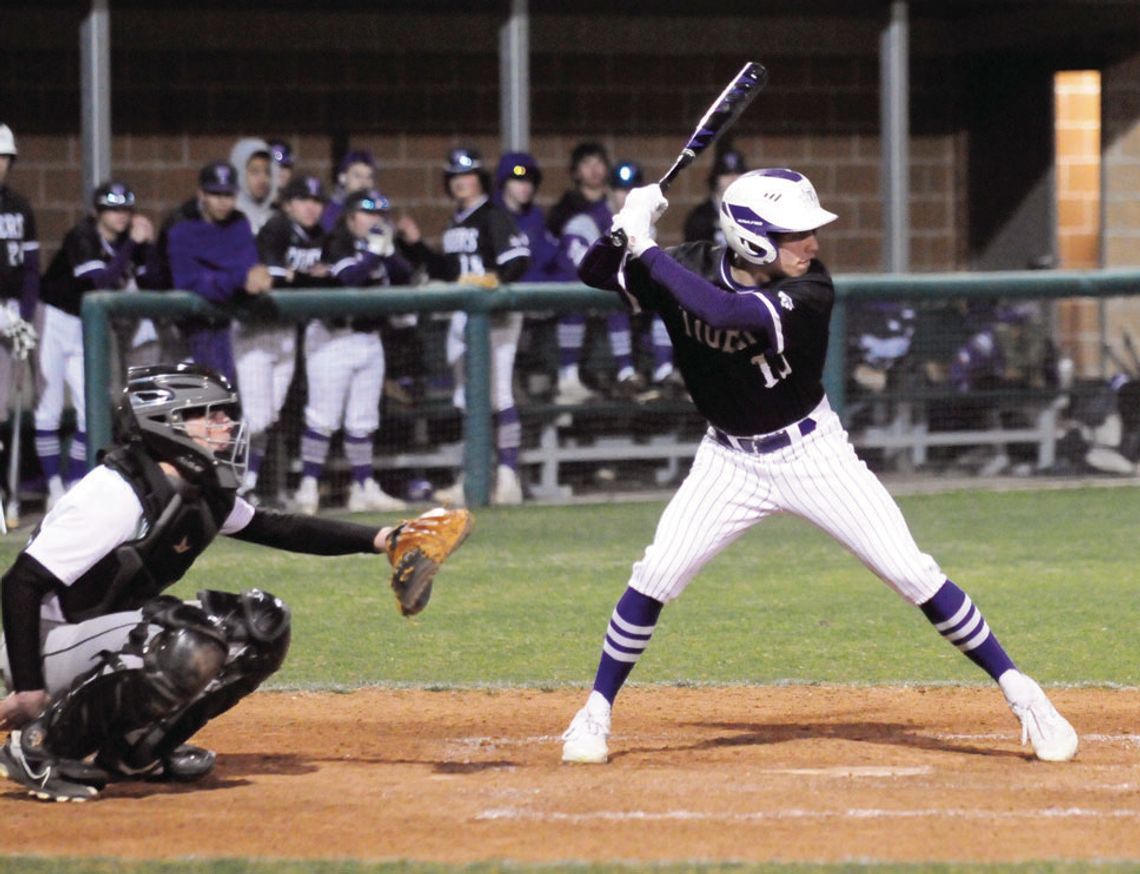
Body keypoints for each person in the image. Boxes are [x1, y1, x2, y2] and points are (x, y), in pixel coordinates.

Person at [560, 168, 1079, 766]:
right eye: (795, 233)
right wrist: (623, 230)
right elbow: (593, 274)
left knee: (912, 572)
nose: (812, 243)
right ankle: (595, 711)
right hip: (728, 459)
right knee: (654, 575)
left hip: (813, 452)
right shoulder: (690, 261)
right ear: (752, 238)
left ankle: (1025, 695)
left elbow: (727, 315)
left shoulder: (811, 290)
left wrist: (647, 248)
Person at [0, 362, 470, 802]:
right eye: (210, 415)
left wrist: (385, 539)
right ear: (167, 421)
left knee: (261, 627)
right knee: (185, 639)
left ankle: (134, 751)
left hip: (89, 638)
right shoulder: (116, 492)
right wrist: (28, 690)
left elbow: (276, 527)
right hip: (34, 645)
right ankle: (41, 747)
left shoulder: (196, 489)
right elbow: (20, 584)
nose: (226, 424)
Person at [397, 146, 531, 506]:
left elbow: (519, 259)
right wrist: (414, 248)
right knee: (467, 399)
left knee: (499, 392)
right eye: (455, 176)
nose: (461, 182)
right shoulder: (457, 221)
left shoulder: (492, 215)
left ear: (480, 179)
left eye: (467, 175)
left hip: (495, 315)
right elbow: (447, 270)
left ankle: (507, 476)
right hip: (466, 315)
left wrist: (495, 280)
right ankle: (473, 476)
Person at [35, 181, 154, 509]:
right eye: (112, 209)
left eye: (125, 210)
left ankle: (74, 485)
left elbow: (150, 279)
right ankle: (54, 487)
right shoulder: (82, 236)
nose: (119, 216)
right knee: (49, 407)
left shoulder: (132, 241)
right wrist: (133, 243)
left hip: (85, 327)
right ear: (96, 212)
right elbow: (100, 282)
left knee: (91, 412)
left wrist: (149, 245)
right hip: (54, 318)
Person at [292, 187, 410, 515]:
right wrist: (374, 253)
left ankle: (363, 486)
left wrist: (388, 252)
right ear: (351, 216)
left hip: (369, 339)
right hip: (333, 338)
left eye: (380, 214)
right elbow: (350, 280)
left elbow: (406, 276)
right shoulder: (336, 241)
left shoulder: (379, 244)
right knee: (322, 417)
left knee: (362, 420)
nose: (375, 220)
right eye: (368, 213)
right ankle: (308, 487)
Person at [237, 174, 331, 504]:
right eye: (304, 200)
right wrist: (308, 277)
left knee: (270, 416)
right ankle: (221, 482)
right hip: (256, 332)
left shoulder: (320, 234)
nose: (311, 208)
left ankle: (245, 486)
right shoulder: (276, 227)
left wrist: (299, 277)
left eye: (317, 201)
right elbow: (273, 278)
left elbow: (331, 280)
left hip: (287, 332)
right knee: (256, 418)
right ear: (289, 204)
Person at [546, 142, 639, 403]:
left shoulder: (617, 206)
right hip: (574, 283)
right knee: (574, 299)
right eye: (587, 163)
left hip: (610, 285)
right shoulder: (565, 210)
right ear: (575, 171)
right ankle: (569, 378)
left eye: (599, 162)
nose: (594, 169)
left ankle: (627, 375)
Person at [165, 160, 273, 384]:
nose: (224, 201)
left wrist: (248, 276)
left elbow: (249, 268)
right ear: (201, 194)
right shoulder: (180, 229)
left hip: (225, 324)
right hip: (179, 330)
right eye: (216, 194)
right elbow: (191, 283)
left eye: (229, 195)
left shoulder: (239, 223)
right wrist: (238, 278)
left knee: (225, 400)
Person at [0, 123, 40, 446]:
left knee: (4, 404)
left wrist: (24, 315)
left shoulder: (19, 206)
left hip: (12, 311)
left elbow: (30, 268)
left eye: (4, 157)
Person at [682, 147, 748, 245]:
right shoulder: (701, 218)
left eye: (738, 173)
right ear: (716, 179)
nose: (733, 178)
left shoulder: (750, 212)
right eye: (726, 174)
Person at [229, 138, 278, 235]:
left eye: (267, 172)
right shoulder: (229, 216)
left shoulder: (276, 216)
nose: (262, 179)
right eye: (254, 172)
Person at [321, 149, 377, 233]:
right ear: (343, 178)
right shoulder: (331, 211)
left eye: (369, 177)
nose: (364, 182)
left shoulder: (378, 208)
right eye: (357, 176)